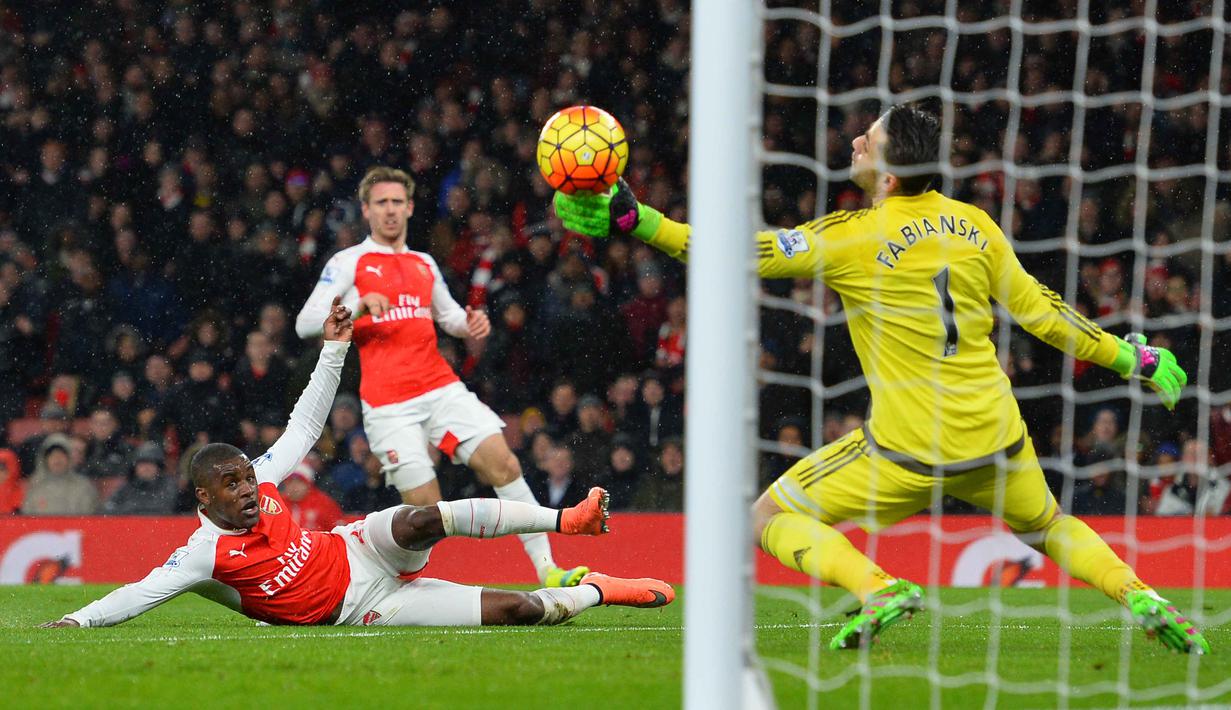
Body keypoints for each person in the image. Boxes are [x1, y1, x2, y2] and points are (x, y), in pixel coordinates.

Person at [553, 104, 1208, 654]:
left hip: (907, 447)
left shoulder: (854, 235)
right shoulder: (975, 224)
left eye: (869, 139)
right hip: (995, 434)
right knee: (1048, 526)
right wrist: (1133, 359)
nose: (856, 143)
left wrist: (640, 221)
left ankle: (878, 588)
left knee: (768, 516)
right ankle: (1140, 595)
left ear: (888, 175)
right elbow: (1042, 313)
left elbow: (739, 255)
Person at [42, 299, 673, 630]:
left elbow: (304, 425)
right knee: (521, 613)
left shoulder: (264, 481)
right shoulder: (203, 556)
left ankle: (569, 521)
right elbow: (139, 593)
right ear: (204, 499)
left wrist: (334, 350)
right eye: (231, 484)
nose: (248, 488)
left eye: (247, 476)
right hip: (362, 608)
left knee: (420, 518)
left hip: (357, 549)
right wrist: (75, 619)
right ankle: (599, 590)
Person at [295, 167, 589, 589]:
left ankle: (548, 569)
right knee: (426, 510)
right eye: (382, 202)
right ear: (366, 210)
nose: (390, 210)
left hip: (439, 387)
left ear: (410, 207)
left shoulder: (424, 263)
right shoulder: (349, 262)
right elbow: (305, 324)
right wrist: (357, 303)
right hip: (388, 404)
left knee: (504, 463)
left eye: (397, 202)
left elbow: (448, 315)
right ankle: (381, 582)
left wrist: (470, 324)